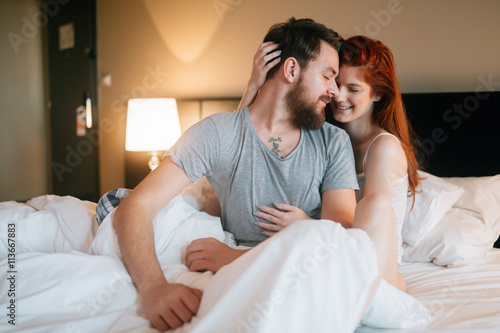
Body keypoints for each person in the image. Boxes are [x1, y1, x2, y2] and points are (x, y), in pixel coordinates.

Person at [113, 17, 363, 331]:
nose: (335, 91)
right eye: (328, 76)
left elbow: (341, 234)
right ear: (290, 70)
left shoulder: (333, 142)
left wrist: (235, 259)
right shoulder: (218, 134)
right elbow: (136, 205)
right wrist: (153, 289)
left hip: (306, 273)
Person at [241, 35, 421, 292]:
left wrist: (306, 225)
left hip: (375, 258)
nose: (338, 95)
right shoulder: (327, 135)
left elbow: (369, 227)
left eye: (354, 89)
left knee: (374, 205)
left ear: (378, 94)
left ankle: (386, 291)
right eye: (335, 83)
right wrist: (253, 87)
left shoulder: (383, 147)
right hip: (329, 246)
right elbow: (244, 139)